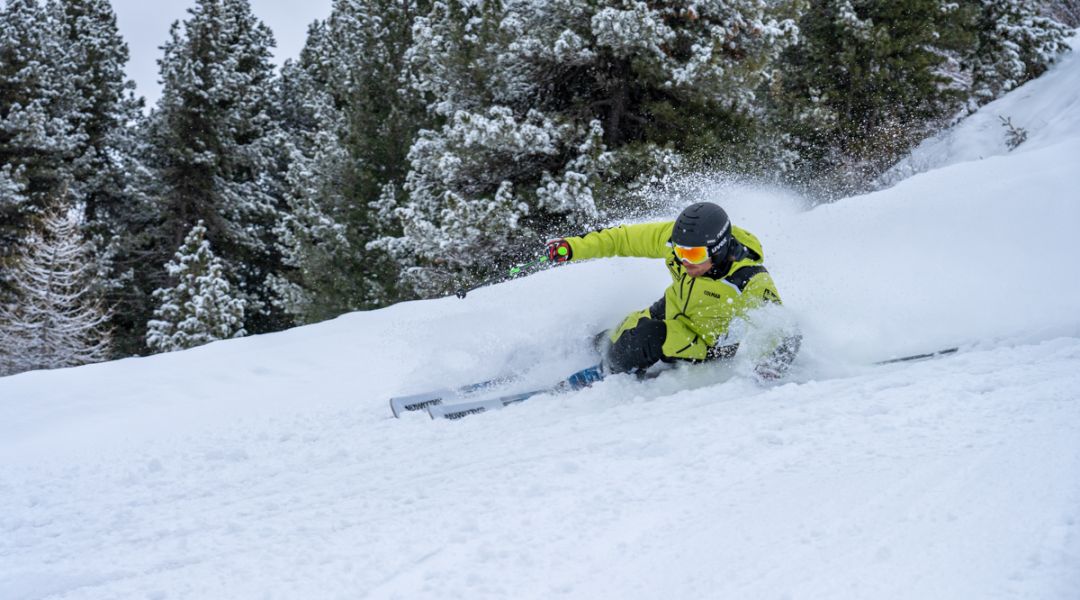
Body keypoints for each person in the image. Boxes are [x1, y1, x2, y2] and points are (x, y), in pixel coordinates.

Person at [545, 202, 799, 380]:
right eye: (679, 251)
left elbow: (784, 329)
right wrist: (573, 248)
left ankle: (609, 373)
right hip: (674, 306)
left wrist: (770, 367)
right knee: (617, 334)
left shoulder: (748, 279)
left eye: (695, 254)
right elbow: (621, 239)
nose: (685, 260)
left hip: (707, 341)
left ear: (719, 248)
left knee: (644, 339)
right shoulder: (679, 240)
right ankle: (603, 353)